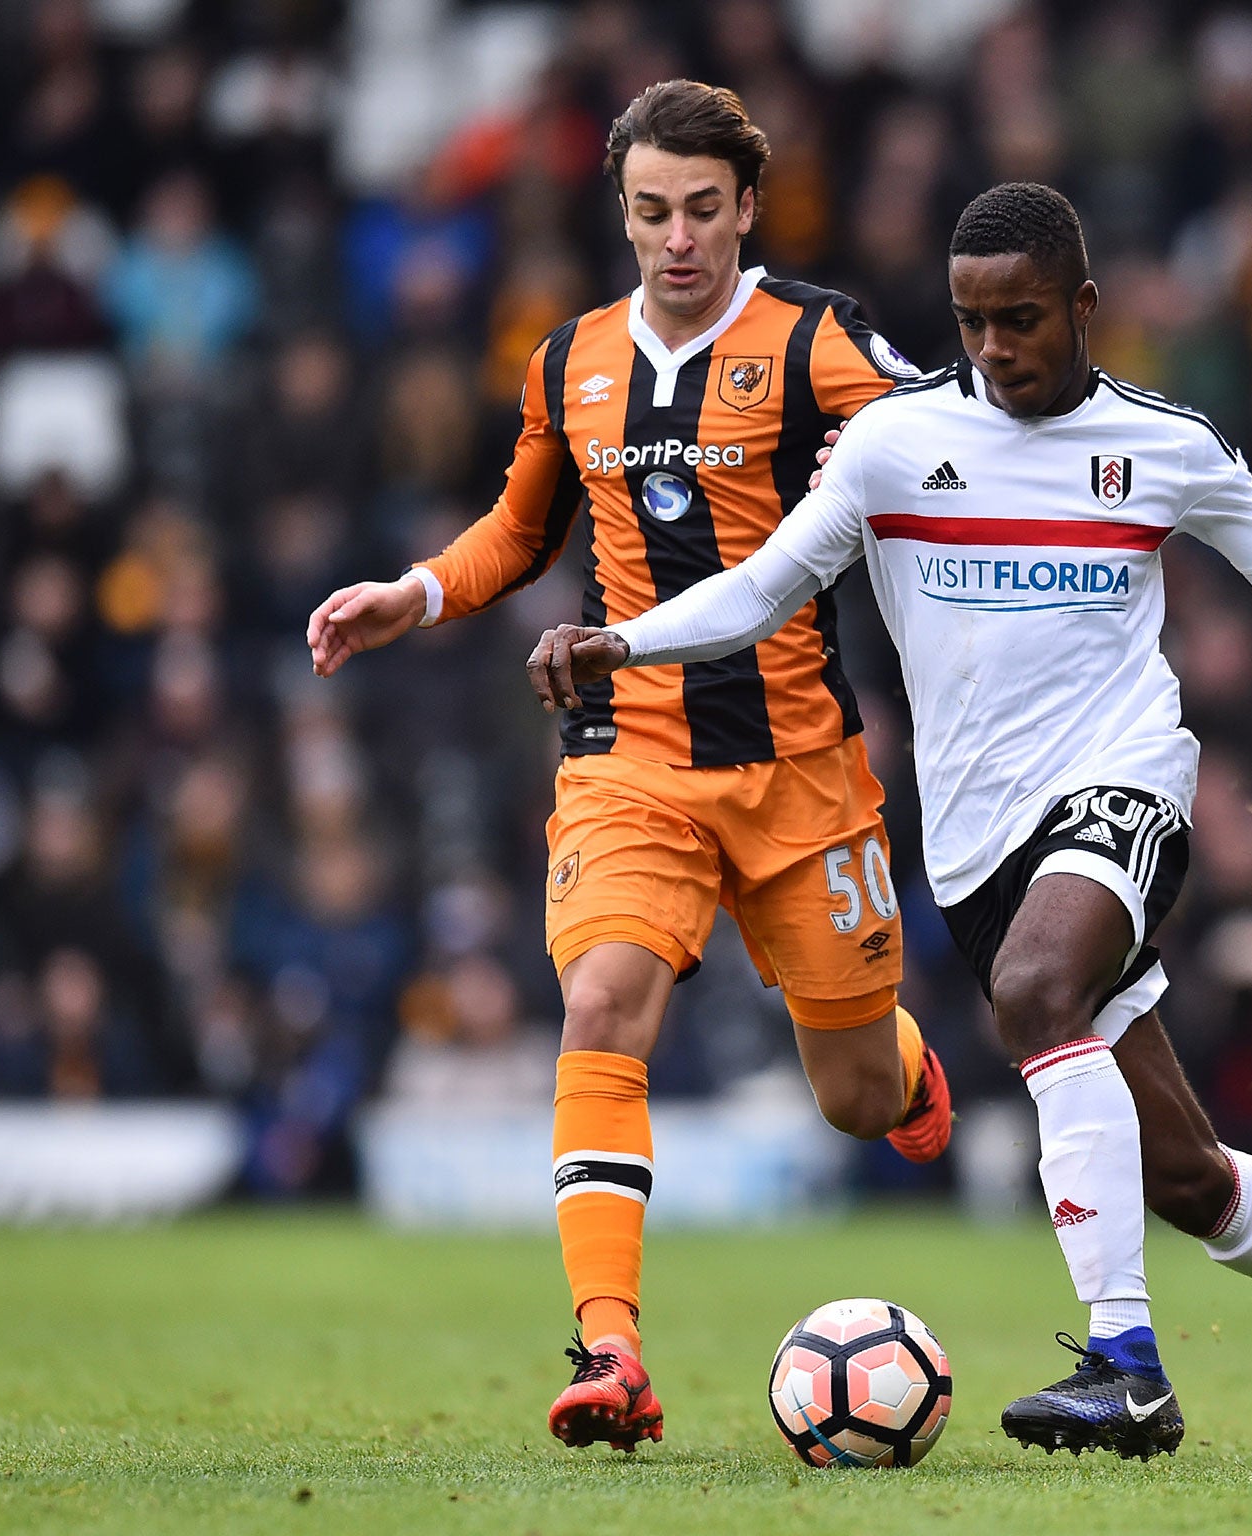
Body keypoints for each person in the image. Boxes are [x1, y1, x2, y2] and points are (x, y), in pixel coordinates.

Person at [528, 182, 1252, 1465]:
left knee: (1032, 991)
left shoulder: (1163, 444)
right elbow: (759, 590)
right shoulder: (895, 444)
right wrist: (619, 640)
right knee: (1189, 1180)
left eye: (1020, 319)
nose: (995, 347)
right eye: (971, 322)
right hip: (975, 846)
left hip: (1121, 787)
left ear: (1081, 307)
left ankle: (1124, 1366)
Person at [305, 81, 953, 1454]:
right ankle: (614, 1351)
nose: (677, 238)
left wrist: (887, 451)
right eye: (651, 210)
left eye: (702, 210)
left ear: (746, 208)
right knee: (601, 1005)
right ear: (622, 210)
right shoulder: (570, 361)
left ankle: (901, 1069)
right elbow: (514, 531)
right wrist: (411, 594)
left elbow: (948, 435)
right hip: (628, 760)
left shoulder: (817, 337)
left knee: (851, 1099)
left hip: (799, 770)